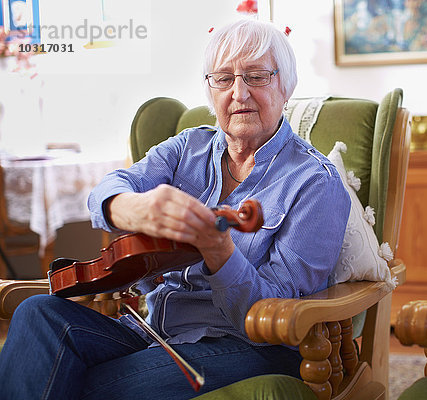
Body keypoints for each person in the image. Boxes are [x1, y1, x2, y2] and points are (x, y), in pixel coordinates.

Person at [0, 19, 350, 399]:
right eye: (223, 79)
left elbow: (271, 317)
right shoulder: (187, 148)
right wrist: (131, 208)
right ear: (210, 91)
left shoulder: (316, 183)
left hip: (248, 346)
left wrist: (220, 252)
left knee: (73, 382)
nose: (239, 93)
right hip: (157, 331)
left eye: (257, 76)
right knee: (38, 314)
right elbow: (109, 188)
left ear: (286, 87)